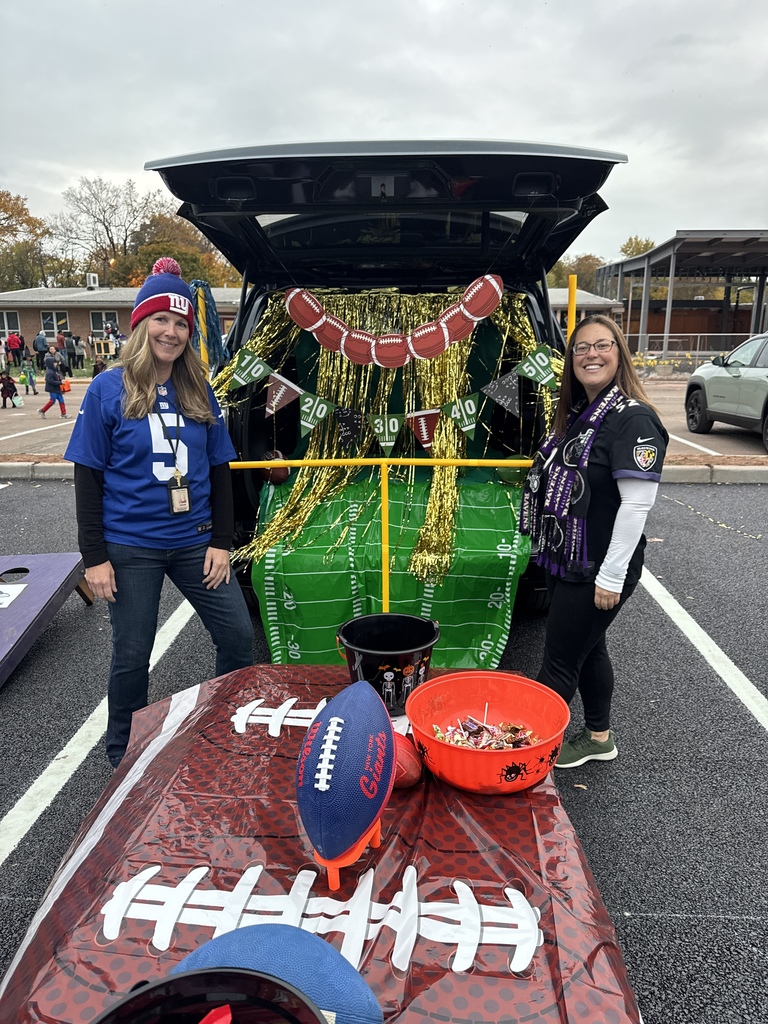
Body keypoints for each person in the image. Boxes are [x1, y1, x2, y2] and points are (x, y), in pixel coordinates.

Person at [64, 257, 253, 769]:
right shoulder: (109, 387)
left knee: (238, 636)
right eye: (161, 320)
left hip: (194, 540)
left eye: (181, 323)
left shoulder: (198, 388)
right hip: (131, 546)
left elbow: (219, 469)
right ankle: (122, 754)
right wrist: (94, 557)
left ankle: (218, 725)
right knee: (132, 655)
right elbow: (88, 476)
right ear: (141, 324)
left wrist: (221, 540)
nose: (171, 332)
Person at [520, 315, 667, 769]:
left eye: (602, 345)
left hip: (600, 566)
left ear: (619, 354)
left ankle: (521, 753)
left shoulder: (632, 418)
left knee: (559, 662)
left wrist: (611, 575)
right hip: (569, 558)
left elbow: (636, 506)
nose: (591, 354)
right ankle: (599, 737)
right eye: (581, 348)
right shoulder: (580, 414)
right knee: (588, 648)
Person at [39, 345, 70, 418]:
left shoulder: (54, 370)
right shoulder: (50, 372)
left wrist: (61, 381)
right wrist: (60, 383)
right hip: (52, 389)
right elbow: (50, 381)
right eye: (54, 363)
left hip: (57, 388)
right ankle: (43, 410)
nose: (56, 364)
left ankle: (63, 413)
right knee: (52, 401)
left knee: (61, 400)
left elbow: (57, 378)